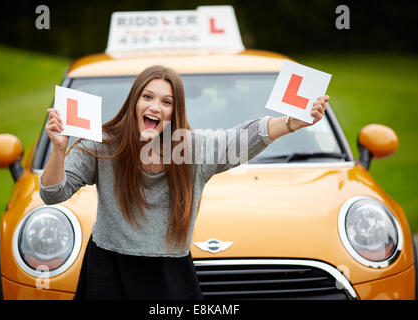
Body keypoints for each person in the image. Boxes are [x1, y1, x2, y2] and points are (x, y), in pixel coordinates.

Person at [39, 65, 329, 300]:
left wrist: (291, 123)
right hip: (108, 270)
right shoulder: (103, 145)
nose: (155, 107)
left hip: (169, 274)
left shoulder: (193, 150)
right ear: (134, 101)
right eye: (147, 97)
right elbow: (53, 194)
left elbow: (245, 136)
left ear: (174, 113)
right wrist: (59, 148)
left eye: (167, 102)